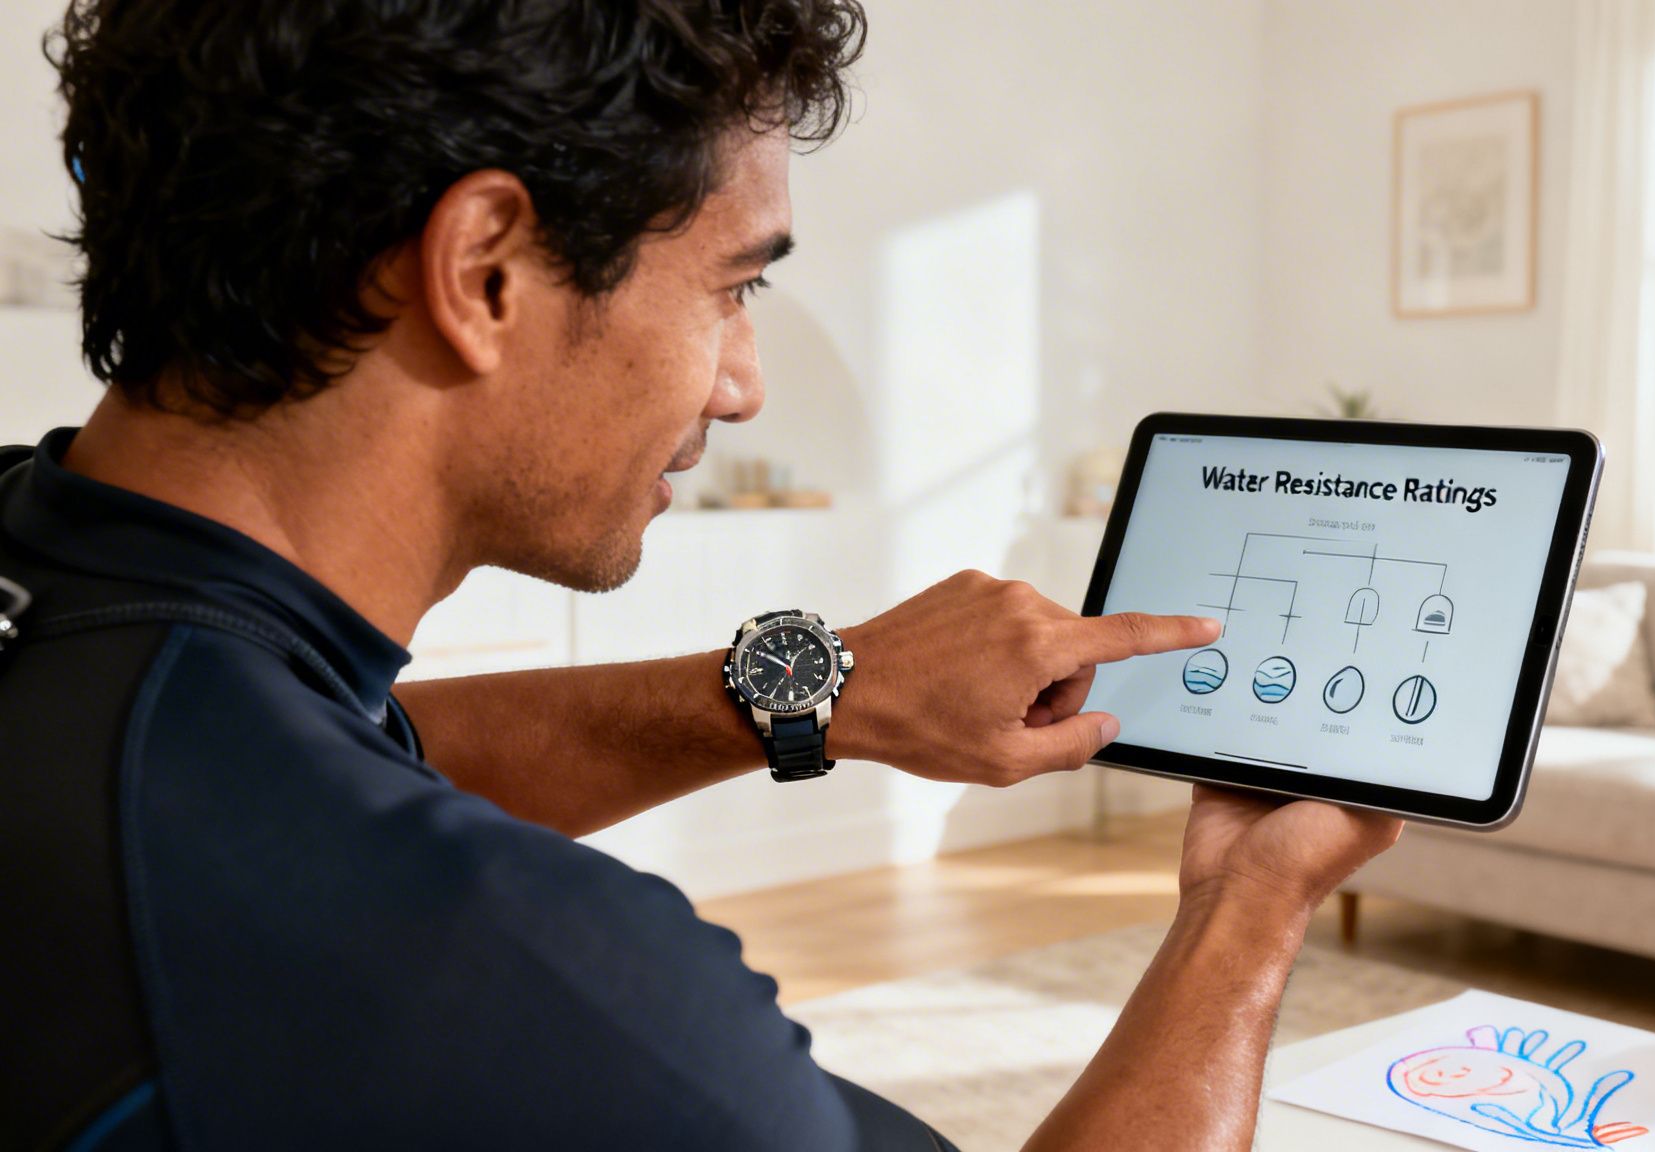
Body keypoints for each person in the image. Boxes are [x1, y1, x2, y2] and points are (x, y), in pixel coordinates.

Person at [0, 1, 1404, 1148]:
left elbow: (343, 755)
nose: (742, 384)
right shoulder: (538, 989)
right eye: (734, 287)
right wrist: (1251, 903)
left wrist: (812, 688)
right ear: (482, 269)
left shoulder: (111, 660)